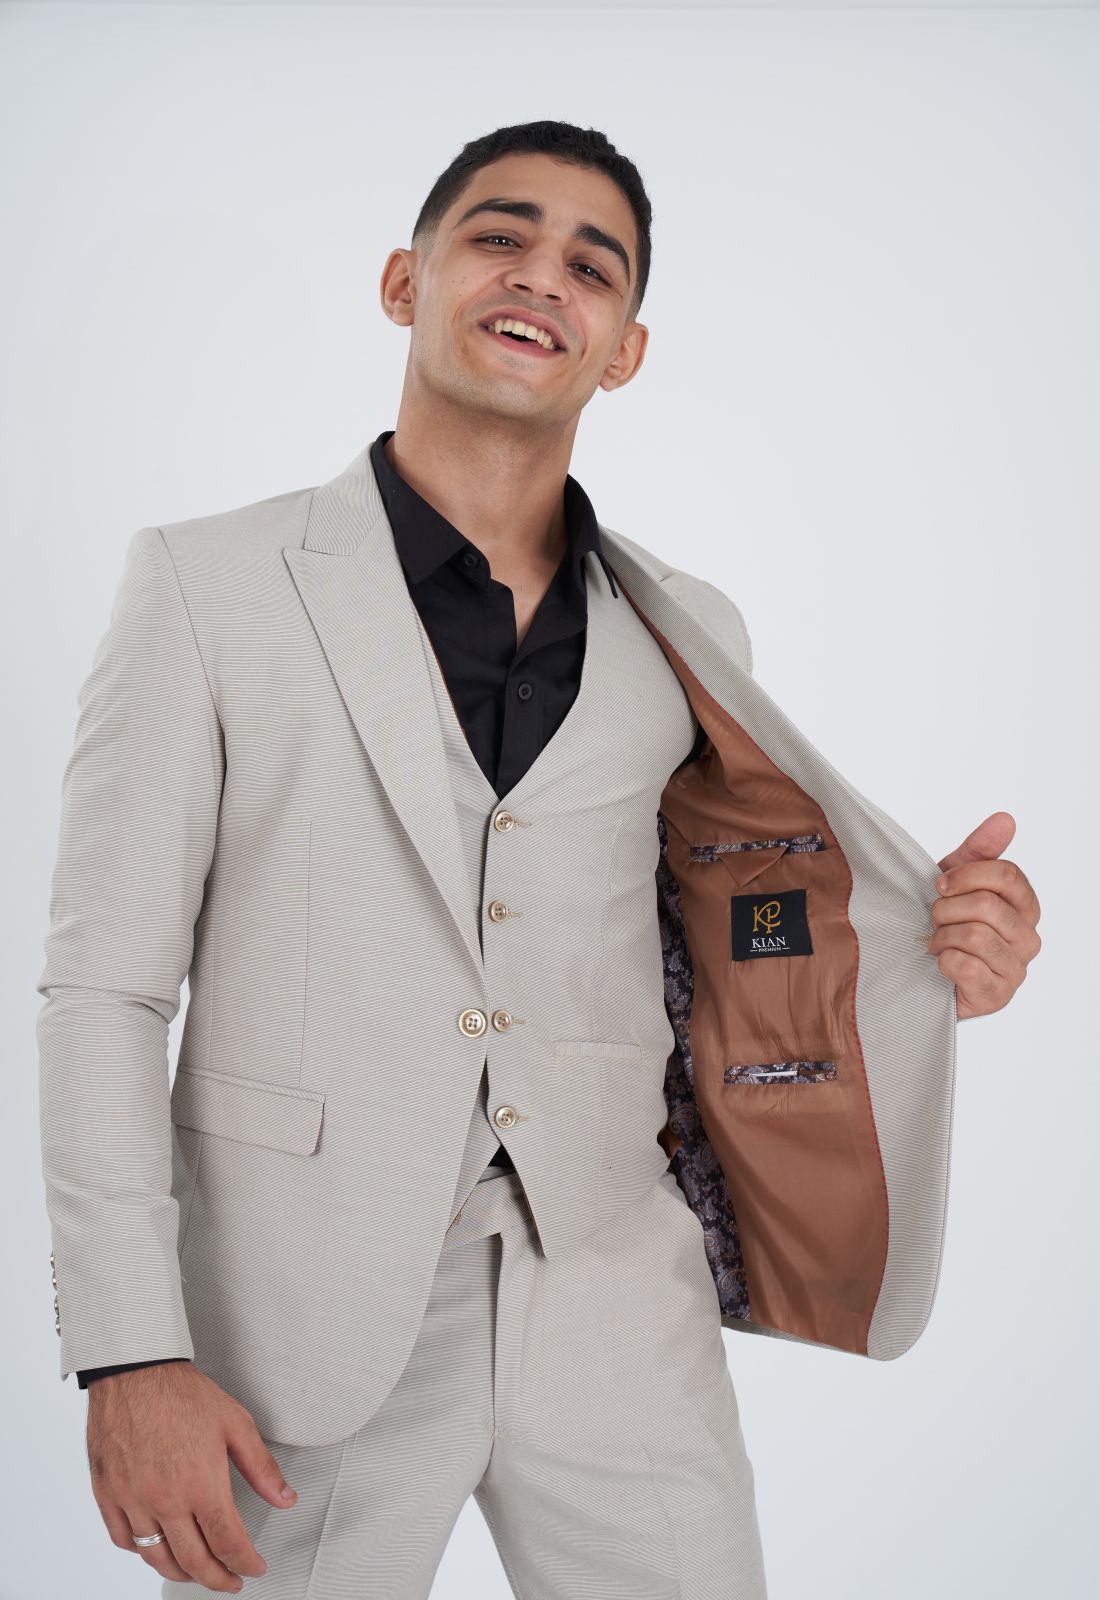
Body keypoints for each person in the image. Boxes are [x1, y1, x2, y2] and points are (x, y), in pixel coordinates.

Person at [37, 119, 1041, 1599]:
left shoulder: (686, 629)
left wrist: (931, 953)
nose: (540, 279)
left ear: (624, 351)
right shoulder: (207, 586)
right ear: (405, 281)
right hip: (295, 1310)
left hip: (617, 1295)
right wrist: (130, 1352)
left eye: (591, 266)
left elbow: (720, 941)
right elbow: (103, 993)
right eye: (499, 237)